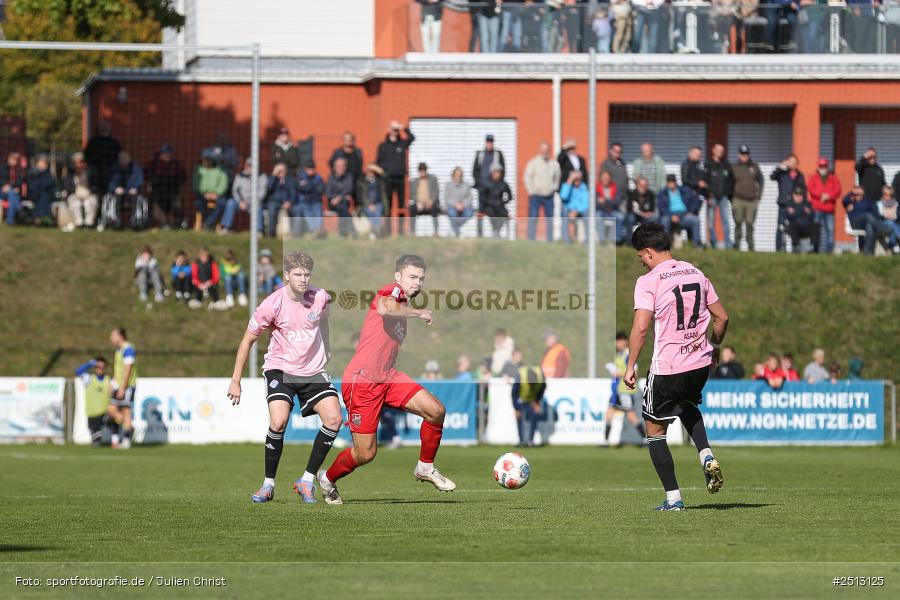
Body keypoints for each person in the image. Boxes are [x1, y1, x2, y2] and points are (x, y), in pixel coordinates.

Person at [319, 255, 457, 505]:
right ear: (398, 276)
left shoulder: (402, 302)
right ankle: (327, 479)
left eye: (421, 279)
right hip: (363, 380)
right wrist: (418, 312)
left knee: (436, 411)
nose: (417, 283)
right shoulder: (392, 290)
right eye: (412, 277)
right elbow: (385, 307)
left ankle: (425, 467)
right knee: (365, 453)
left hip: (389, 376)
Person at [624, 222, 728, 510]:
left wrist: (630, 365)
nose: (642, 263)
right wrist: (714, 346)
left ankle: (674, 499)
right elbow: (722, 318)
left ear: (648, 252)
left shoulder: (648, 281)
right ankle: (706, 454)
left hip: (669, 366)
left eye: (641, 257)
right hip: (699, 363)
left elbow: (641, 328)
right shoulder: (696, 272)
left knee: (654, 430)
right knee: (685, 405)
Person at [228, 251, 343, 504]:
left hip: (313, 370)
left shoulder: (320, 297)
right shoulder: (271, 304)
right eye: (298, 274)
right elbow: (247, 341)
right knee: (279, 421)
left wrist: (327, 347)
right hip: (280, 369)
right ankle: (268, 484)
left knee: (334, 419)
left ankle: (306, 480)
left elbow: (324, 320)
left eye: (307, 274)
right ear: (286, 275)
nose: (303, 279)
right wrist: (236, 380)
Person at [604, 332, 647, 447]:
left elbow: (635, 374)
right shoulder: (618, 355)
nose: (618, 343)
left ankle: (644, 439)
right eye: (616, 341)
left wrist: (618, 373)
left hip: (625, 391)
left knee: (631, 415)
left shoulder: (629, 355)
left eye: (620, 340)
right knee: (609, 413)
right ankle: (605, 441)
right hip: (616, 391)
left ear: (625, 342)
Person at [376, 121, 415, 235]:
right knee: (387, 205)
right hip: (387, 180)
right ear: (389, 130)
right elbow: (379, 162)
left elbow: (412, 137)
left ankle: (401, 230)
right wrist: (384, 173)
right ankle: (387, 231)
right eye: (393, 129)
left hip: (400, 179)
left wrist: (403, 127)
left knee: (401, 205)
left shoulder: (402, 143)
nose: (395, 132)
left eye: (396, 130)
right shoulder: (383, 146)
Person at [524, 141, 560, 242]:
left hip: (549, 196)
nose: (545, 152)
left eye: (546, 150)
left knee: (550, 218)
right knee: (533, 217)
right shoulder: (533, 163)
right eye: (543, 149)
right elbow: (527, 177)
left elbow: (557, 177)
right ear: (540, 150)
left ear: (549, 151)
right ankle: (531, 240)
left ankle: (550, 240)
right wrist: (531, 191)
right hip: (535, 195)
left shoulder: (554, 164)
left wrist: (554, 188)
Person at [144, 144, 186, 229]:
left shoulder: (175, 164)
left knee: (177, 203)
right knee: (152, 204)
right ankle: (164, 223)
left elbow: (183, 176)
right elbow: (146, 175)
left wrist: (176, 183)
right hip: (158, 191)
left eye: (170, 154)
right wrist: (151, 183)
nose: (168, 156)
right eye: (166, 154)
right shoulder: (154, 163)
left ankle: (179, 223)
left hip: (172, 191)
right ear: (161, 154)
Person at [731, 144, 764, 251]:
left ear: (749, 155)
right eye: (742, 154)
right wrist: (731, 197)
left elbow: (761, 180)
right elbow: (729, 183)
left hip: (752, 201)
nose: (744, 156)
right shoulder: (734, 167)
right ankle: (736, 246)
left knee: (750, 223)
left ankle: (751, 247)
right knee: (738, 222)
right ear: (739, 155)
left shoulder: (755, 166)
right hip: (738, 199)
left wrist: (759, 195)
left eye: (746, 154)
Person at [771, 155, 806, 252]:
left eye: (794, 162)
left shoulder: (800, 176)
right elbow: (772, 177)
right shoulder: (782, 174)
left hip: (794, 207)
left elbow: (803, 191)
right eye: (790, 161)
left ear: (797, 164)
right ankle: (779, 249)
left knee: (795, 227)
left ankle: (795, 249)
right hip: (783, 205)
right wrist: (780, 167)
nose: (792, 164)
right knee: (781, 227)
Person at [109, 327, 137, 449]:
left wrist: (123, 387)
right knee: (111, 409)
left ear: (120, 336)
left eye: (113, 335)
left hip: (127, 386)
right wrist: (113, 384)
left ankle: (126, 440)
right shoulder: (118, 350)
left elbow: (127, 370)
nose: (111, 338)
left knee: (126, 411)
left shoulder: (128, 349)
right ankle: (129, 428)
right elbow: (118, 370)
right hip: (119, 385)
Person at [75, 356, 112, 447]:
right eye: (98, 367)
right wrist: (89, 364)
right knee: (96, 438)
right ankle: (97, 439)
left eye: (102, 367)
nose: (100, 369)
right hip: (92, 413)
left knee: (114, 420)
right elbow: (78, 372)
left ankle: (117, 440)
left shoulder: (109, 380)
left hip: (105, 413)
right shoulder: (89, 379)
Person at [806, 158, 841, 254]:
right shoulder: (813, 177)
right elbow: (811, 189)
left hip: (829, 209)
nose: (823, 168)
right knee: (815, 229)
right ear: (818, 167)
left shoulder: (833, 178)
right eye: (821, 166)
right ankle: (815, 250)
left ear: (827, 166)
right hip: (817, 208)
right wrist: (821, 195)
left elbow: (838, 190)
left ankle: (829, 251)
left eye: (824, 166)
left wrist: (829, 196)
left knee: (830, 230)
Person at [657, 174, 702, 248]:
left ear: (676, 182)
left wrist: (691, 211)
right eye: (669, 182)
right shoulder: (663, 193)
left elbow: (696, 200)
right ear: (667, 183)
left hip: (684, 215)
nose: (671, 183)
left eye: (673, 181)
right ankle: (664, 246)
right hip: (669, 216)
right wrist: (671, 216)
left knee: (695, 220)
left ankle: (697, 245)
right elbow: (661, 207)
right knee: (664, 220)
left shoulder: (685, 190)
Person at [511, 359, 546, 447]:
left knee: (535, 416)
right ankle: (521, 441)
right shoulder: (520, 376)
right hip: (521, 399)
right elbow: (514, 393)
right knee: (519, 418)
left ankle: (531, 441)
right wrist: (516, 408)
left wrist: (537, 401)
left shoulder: (540, 376)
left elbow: (542, 389)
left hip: (533, 399)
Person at [706, 143, 734, 249]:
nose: (720, 152)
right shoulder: (708, 164)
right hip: (712, 196)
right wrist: (708, 195)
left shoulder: (726, 165)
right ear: (713, 150)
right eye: (718, 150)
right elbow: (705, 181)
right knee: (711, 221)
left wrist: (728, 193)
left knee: (726, 220)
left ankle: (727, 243)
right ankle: (713, 242)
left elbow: (731, 181)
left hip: (723, 197)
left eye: (722, 151)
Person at [230, 158, 268, 233]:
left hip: (255, 202)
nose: (248, 167)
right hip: (242, 202)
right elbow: (235, 191)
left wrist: (255, 201)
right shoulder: (239, 176)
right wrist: (240, 201)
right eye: (247, 165)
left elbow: (263, 192)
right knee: (230, 203)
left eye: (251, 166)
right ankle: (226, 227)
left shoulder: (262, 176)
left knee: (259, 207)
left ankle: (259, 230)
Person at [107, 151, 144, 229]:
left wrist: (135, 188)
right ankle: (118, 220)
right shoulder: (114, 168)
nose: (123, 160)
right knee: (117, 195)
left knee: (135, 195)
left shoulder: (135, 168)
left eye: (125, 158)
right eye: (121, 159)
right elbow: (111, 182)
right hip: (119, 194)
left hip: (132, 194)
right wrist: (115, 188)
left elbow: (140, 180)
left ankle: (134, 220)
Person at [84, 121, 120, 200]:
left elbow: (118, 157)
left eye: (105, 127)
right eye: (102, 127)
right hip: (95, 170)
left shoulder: (114, 142)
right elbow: (86, 155)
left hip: (109, 170)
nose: (104, 129)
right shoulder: (93, 141)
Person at [193, 152, 228, 231]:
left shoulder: (220, 171)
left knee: (222, 203)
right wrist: (204, 193)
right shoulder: (198, 170)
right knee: (198, 203)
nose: (206, 162)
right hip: (202, 194)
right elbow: (195, 184)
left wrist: (216, 194)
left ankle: (208, 223)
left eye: (208, 160)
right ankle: (208, 223)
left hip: (216, 195)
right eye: (204, 160)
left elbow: (223, 184)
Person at [473, 135, 506, 218]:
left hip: (494, 187)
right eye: (488, 142)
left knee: (494, 208)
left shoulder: (498, 154)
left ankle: (495, 226)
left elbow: (503, 170)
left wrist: (499, 184)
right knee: (481, 210)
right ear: (485, 143)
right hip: (482, 186)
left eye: (491, 142)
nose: (490, 144)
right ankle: (480, 226)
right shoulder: (480, 154)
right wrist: (478, 182)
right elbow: (475, 170)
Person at [63, 153, 98, 231]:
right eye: (76, 162)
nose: (78, 165)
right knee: (76, 203)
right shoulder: (70, 173)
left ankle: (89, 224)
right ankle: (79, 224)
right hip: (75, 194)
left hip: (89, 194)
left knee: (89, 203)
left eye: (80, 162)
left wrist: (89, 190)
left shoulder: (90, 172)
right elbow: (67, 186)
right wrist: (75, 191)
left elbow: (95, 185)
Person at [262, 162, 297, 238]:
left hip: (286, 201)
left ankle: (294, 234)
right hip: (274, 201)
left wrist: (289, 202)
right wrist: (274, 176)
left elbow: (293, 193)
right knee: (272, 210)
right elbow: (268, 189)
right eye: (279, 171)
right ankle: (272, 234)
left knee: (295, 210)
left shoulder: (290, 180)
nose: (281, 172)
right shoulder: (272, 179)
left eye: (283, 170)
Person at [843, 185, 881, 255]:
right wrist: (852, 192)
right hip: (855, 223)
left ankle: (866, 253)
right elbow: (844, 200)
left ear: (863, 194)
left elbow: (875, 213)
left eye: (860, 194)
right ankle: (880, 229)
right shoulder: (850, 201)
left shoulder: (868, 201)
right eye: (856, 194)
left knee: (869, 227)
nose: (858, 195)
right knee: (867, 215)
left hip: (866, 223)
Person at [477, 166, 513, 238]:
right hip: (488, 206)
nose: (496, 174)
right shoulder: (486, 183)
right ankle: (494, 231)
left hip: (499, 205)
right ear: (492, 173)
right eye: (495, 172)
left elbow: (510, 196)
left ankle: (497, 230)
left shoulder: (503, 184)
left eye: (498, 172)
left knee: (504, 214)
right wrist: (488, 202)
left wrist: (503, 202)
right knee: (492, 214)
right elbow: (482, 196)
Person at [294, 161, 325, 238]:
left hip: (316, 200)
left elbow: (321, 190)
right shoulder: (301, 178)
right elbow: (299, 188)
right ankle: (313, 230)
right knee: (307, 213)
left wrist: (308, 188)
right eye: (309, 169)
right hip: (305, 201)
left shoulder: (318, 178)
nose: (310, 171)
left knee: (318, 211)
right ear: (306, 169)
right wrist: (312, 187)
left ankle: (316, 230)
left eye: (312, 169)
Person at [327, 157, 355, 238]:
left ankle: (342, 233)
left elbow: (348, 189)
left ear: (345, 167)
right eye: (338, 166)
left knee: (342, 206)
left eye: (342, 166)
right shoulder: (331, 177)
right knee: (343, 208)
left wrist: (339, 198)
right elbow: (328, 192)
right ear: (335, 167)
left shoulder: (349, 176)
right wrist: (336, 198)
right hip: (332, 203)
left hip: (344, 203)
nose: (340, 168)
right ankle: (351, 230)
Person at [357, 163, 387, 237]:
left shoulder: (379, 181)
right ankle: (376, 232)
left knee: (377, 214)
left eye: (373, 171)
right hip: (366, 204)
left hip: (378, 202)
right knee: (370, 213)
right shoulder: (362, 181)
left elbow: (386, 176)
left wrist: (376, 168)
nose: (371, 173)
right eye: (369, 171)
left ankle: (374, 232)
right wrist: (369, 204)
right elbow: (362, 196)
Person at [409, 162, 440, 235]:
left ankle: (436, 232)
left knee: (435, 209)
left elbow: (436, 192)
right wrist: (418, 202)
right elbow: (412, 194)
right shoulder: (415, 181)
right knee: (412, 209)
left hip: (430, 203)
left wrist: (431, 201)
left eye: (423, 170)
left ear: (426, 170)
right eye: (420, 171)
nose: (422, 172)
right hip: (419, 204)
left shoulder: (433, 179)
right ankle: (412, 231)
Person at [559, 169, 589, 243]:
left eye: (578, 179)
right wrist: (570, 181)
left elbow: (585, 203)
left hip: (579, 210)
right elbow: (563, 197)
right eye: (575, 179)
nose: (576, 181)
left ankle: (587, 240)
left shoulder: (584, 187)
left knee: (587, 213)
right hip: (568, 209)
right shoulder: (566, 185)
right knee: (564, 212)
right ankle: (566, 240)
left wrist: (576, 211)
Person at [26, 155, 57, 227]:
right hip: (34, 194)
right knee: (40, 197)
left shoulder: (48, 174)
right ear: (37, 164)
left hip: (45, 194)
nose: (42, 165)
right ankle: (41, 218)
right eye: (41, 163)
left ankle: (40, 218)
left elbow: (50, 184)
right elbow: (31, 185)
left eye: (44, 163)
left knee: (44, 197)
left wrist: (42, 185)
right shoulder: (32, 173)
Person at [444, 167, 474, 237]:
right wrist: (456, 204)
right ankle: (457, 234)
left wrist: (463, 205)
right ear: (453, 175)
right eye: (457, 175)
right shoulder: (448, 185)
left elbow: (469, 198)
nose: (458, 177)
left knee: (469, 213)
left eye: (460, 175)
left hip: (464, 207)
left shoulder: (466, 185)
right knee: (452, 213)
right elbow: (447, 198)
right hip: (452, 207)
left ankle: (456, 227)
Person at [595, 170, 623, 244]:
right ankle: (602, 240)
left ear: (610, 178)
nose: (605, 179)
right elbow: (596, 203)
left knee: (620, 217)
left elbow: (617, 201)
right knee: (597, 216)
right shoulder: (596, 188)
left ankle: (617, 240)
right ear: (600, 178)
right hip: (601, 211)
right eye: (604, 177)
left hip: (613, 210)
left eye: (607, 177)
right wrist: (610, 201)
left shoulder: (616, 187)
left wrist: (605, 200)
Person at [784, 186, 814, 252]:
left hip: (806, 227)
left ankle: (815, 250)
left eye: (800, 195)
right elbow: (789, 215)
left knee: (816, 226)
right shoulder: (790, 204)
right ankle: (796, 248)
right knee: (793, 226)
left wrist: (796, 211)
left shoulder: (807, 203)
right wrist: (803, 211)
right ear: (793, 195)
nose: (799, 197)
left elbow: (812, 215)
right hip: (795, 227)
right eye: (797, 195)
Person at [1, 152, 26, 226]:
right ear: (8, 160)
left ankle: (10, 220)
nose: (14, 161)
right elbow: (2, 179)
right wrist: (4, 185)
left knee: (12, 193)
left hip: (12, 191)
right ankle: (19, 209)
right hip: (2, 191)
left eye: (15, 160)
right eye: (12, 160)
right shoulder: (3, 168)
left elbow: (20, 181)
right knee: (13, 193)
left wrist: (14, 187)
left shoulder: (19, 170)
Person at [876, 185, 900, 254]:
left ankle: (891, 246)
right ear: (883, 194)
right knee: (891, 223)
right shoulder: (879, 204)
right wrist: (890, 216)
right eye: (886, 194)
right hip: (883, 225)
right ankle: (895, 242)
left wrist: (890, 216)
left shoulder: (896, 203)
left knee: (893, 226)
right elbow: (880, 216)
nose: (888, 197)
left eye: (890, 195)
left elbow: (897, 216)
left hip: (894, 224)